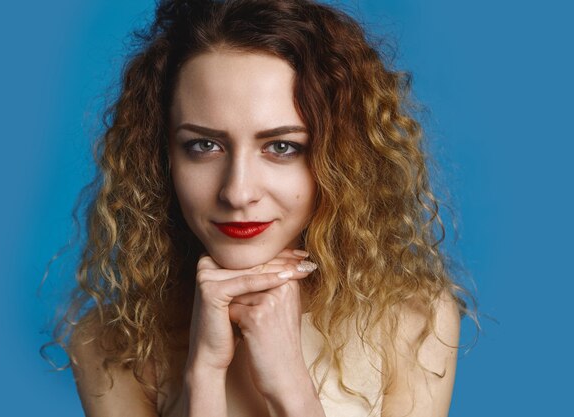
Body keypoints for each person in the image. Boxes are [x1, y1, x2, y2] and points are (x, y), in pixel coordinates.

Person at [49, 0, 474, 416]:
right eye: (204, 145)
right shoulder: (108, 344)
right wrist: (203, 376)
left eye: (281, 147)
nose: (237, 192)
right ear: (162, 158)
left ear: (341, 159)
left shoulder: (413, 321)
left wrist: (289, 385)